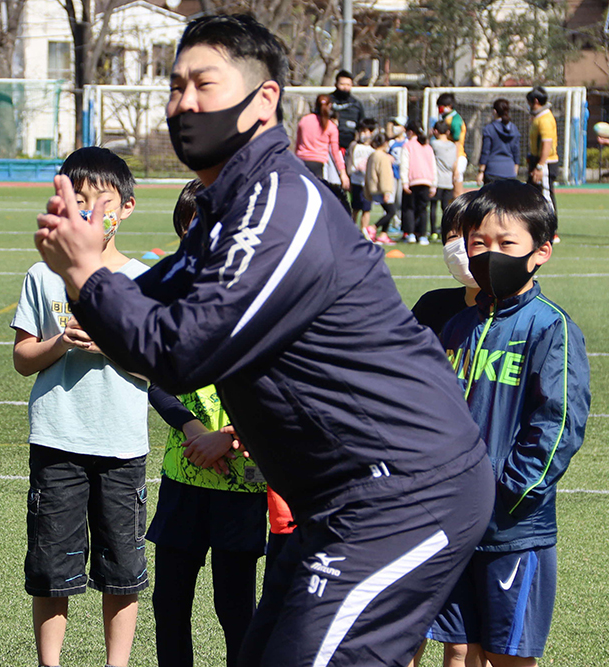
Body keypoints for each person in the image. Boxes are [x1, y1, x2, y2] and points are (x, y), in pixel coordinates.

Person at [34, 14, 493, 667]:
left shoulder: (280, 203)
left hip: (404, 494)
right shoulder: (228, 210)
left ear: (265, 99)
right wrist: (87, 268)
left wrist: (84, 272)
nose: (183, 102)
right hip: (339, 503)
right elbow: (148, 313)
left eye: (204, 84)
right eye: (175, 86)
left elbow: (180, 351)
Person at [426, 179, 590, 667]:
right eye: (479, 243)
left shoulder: (550, 327)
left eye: (506, 244)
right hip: (454, 524)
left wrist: (506, 492)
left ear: (540, 253)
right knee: (460, 650)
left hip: (512, 531)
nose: (489, 254)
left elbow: (557, 425)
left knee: (509, 657)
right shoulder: (457, 327)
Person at [11, 146, 151, 667]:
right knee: (51, 568)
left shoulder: (142, 280)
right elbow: (24, 358)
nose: (92, 213)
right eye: (80, 201)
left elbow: (157, 368)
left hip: (121, 444)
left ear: (128, 207)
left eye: (104, 202)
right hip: (57, 439)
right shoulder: (41, 275)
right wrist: (63, 343)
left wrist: (111, 345)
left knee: (122, 570)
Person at [148, 178, 268, 667]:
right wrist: (191, 429)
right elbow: (150, 376)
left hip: (243, 477)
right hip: (184, 469)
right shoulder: (168, 292)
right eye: (188, 226)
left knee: (235, 606)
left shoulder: (263, 296)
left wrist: (230, 438)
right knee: (169, 602)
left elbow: (282, 385)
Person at [411, 193, 478, 336]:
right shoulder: (431, 307)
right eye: (453, 236)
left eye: (475, 237)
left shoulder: (527, 319)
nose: (462, 246)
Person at [526, 86, 560, 243]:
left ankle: (552, 231)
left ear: (536, 101)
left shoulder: (545, 119)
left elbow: (547, 144)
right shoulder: (538, 117)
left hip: (545, 163)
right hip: (537, 160)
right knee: (532, 195)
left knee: (546, 195)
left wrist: (540, 165)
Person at [295, 94, 349, 188]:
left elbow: (297, 144)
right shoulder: (331, 126)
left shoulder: (304, 120)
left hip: (301, 161)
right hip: (318, 163)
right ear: (330, 106)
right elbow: (335, 152)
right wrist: (343, 172)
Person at [400, 119, 437, 245]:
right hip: (426, 180)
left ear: (410, 132)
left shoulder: (408, 145)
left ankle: (410, 234)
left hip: (413, 180)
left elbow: (404, 164)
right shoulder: (427, 146)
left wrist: (404, 181)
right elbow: (433, 165)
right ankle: (422, 235)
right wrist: (433, 183)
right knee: (423, 209)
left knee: (409, 208)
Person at [365, 131, 398, 245]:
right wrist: (387, 191)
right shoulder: (383, 157)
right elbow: (385, 175)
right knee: (391, 211)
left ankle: (383, 234)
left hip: (373, 187)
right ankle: (374, 227)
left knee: (387, 211)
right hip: (381, 188)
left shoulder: (372, 155)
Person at [477, 99, 520, 186]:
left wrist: (481, 171)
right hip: (510, 171)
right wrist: (515, 169)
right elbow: (516, 152)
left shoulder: (489, 128)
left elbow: (485, 152)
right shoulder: (514, 129)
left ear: (494, 111)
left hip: (492, 171)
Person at [347, 117, 377, 230]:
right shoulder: (354, 145)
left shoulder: (373, 147)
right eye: (361, 131)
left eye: (365, 131)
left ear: (371, 132)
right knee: (355, 207)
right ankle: (352, 229)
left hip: (367, 183)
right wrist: (350, 175)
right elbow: (349, 162)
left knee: (366, 208)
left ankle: (364, 230)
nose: (362, 134)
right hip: (356, 181)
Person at [430, 121, 457, 240]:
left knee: (433, 206)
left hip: (437, 180)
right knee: (446, 207)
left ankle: (432, 231)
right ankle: (446, 230)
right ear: (447, 131)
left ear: (435, 131)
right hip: (449, 181)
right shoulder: (453, 146)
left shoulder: (434, 144)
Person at [437, 93, 467, 196]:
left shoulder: (455, 120)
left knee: (456, 192)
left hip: (457, 156)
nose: (439, 109)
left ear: (448, 106)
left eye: (441, 106)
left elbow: (457, 143)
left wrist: (456, 164)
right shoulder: (445, 118)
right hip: (449, 156)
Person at [330, 69, 364, 152]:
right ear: (336, 84)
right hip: (329, 144)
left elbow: (362, 125)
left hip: (350, 146)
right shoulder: (328, 101)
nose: (345, 87)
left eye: (348, 85)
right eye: (342, 84)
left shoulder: (356, 104)